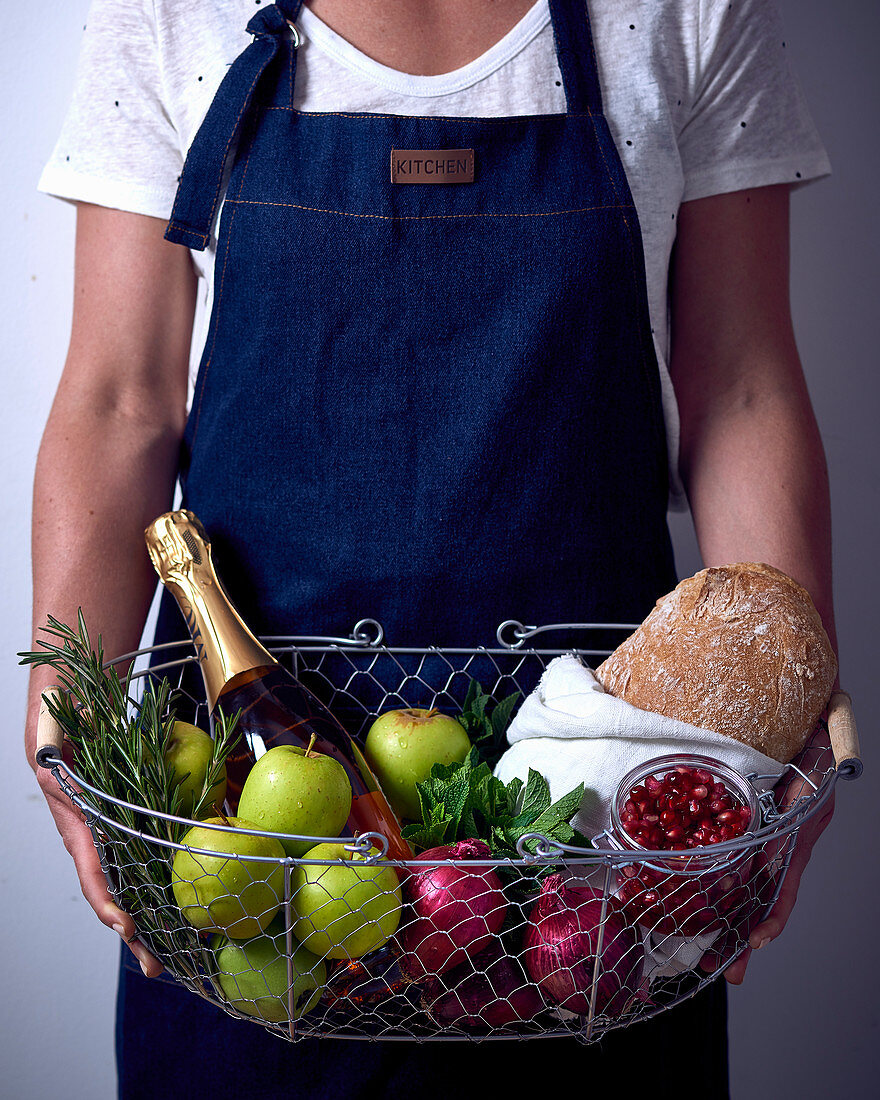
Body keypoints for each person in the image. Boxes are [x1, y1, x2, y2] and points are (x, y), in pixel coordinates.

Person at [26, 1, 838, 1097]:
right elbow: (121, 399)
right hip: (249, 819)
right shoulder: (171, 8)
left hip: (590, 839)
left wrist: (791, 713)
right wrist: (64, 718)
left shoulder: (690, 8)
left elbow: (740, 385)